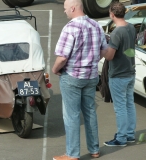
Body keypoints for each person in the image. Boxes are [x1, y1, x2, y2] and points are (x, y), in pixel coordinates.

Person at [52, 0, 108, 159]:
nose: (64, 12)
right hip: (91, 76)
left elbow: (62, 58)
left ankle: (72, 154)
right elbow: (104, 50)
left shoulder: (70, 28)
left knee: (72, 115)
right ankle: (94, 149)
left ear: (73, 8)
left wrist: (55, 69)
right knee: (90, 112)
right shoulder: (95, 25)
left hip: (72, 77)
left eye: (65, 9)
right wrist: (92, 61)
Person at [102, 1, 137, 147]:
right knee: (129, 104)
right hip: (130, 71)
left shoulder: (117, 32)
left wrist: (103, 48)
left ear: (112, 14)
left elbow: (109, 56)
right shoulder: (131, 28)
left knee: (120, 107)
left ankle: (121, 137)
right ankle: (130, 134)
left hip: (118, 75)